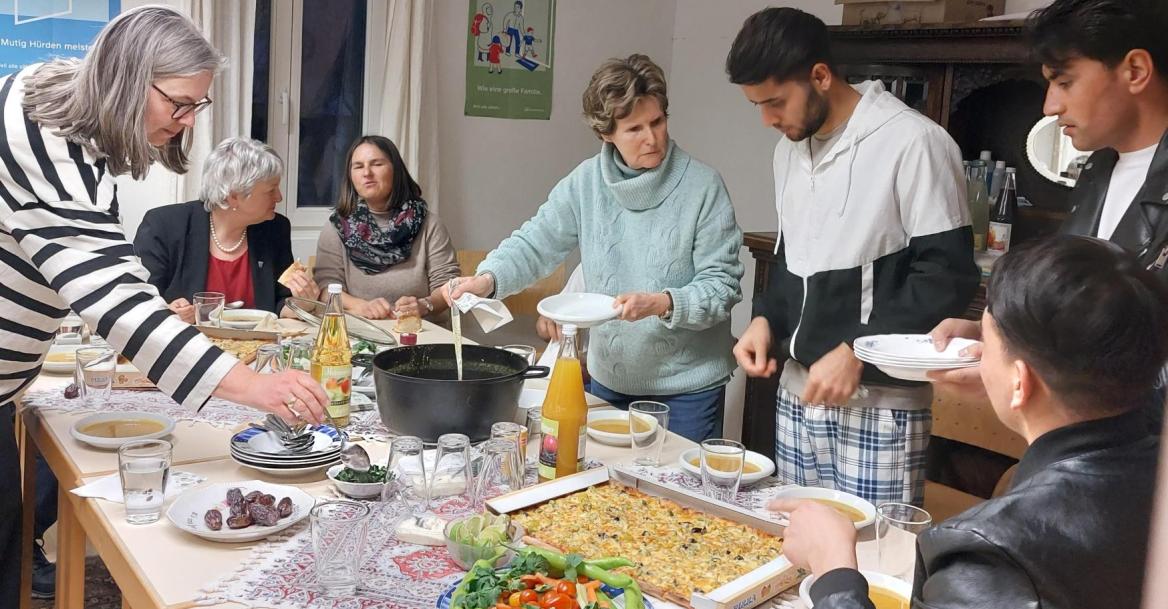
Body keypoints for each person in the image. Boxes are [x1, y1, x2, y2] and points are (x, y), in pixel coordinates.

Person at [0, 7, 328, 607]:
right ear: (127, 80)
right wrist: (255, 388)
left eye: (195, 108)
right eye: (178, 104)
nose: (183, 125)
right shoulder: (41, 137)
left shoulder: (71, 131)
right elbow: (117, 298)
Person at [775, 236, 1166, 609]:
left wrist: (834, 571)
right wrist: (1010, 371)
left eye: (988, 340)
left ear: (1020, 381)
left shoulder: (990, 552)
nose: (978, 351)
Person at [727, 7, 979, 506]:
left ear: (820, 76)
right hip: (798, 393)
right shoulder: (789, 150)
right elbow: (791, 259)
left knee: (871, 558)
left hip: (878, 404)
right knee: (798, 548)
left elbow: (946, 278)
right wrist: (765, 321)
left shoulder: (914, 142)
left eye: (775, 101)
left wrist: (857, 350)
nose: (767, 120)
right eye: (756, 105)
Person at [446, 54, 744, 443]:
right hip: (609, 381)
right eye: (634, 128)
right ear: (605, 133)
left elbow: (722, 287)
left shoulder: (703, 187)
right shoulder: (585, 183)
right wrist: (488, 278)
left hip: (686, 392)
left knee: (677, 499)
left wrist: (662, 303)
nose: (652, 138)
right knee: (599, 495)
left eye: (658, 122)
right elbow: (537, 241)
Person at [930, 0, 1168, 431]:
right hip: (1094, 448)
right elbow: (1089, 317)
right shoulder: (1096, 171)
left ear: (1135, 71)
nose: (1049, 106)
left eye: (1064, 82)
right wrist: (1010, 343)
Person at [135, 137, 318, 322]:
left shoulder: (275, 229)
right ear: (233, 197)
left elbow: (279, 303)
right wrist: (167, 312)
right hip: (188, 345)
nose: (279, 197)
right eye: (271, 190)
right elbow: (139, 303)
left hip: (256, 348)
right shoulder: (164, 226)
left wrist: (301, 305)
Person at [306, 135, 460, 322]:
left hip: (419, 334)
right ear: (350, 175)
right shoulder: (337, 228)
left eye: (377, 164)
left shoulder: (430, 225)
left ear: (396, 170)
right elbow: (326, 289)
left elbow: (448, 288)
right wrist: (361, 306)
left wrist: (423, 305)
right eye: (358, 166)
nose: (367, 173)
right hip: (361, 332)